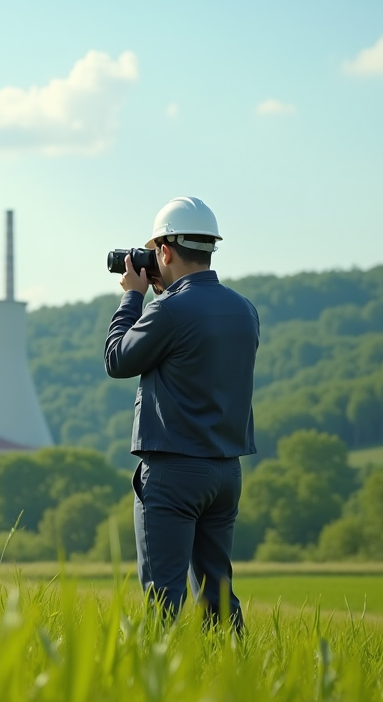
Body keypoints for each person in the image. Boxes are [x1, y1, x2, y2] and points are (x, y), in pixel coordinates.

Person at [103, 197, 259, 629]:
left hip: (173, 472)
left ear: (164, 252)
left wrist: (133, 298)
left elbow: (117, 359)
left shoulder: (167, 310)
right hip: (225, 471)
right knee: (218, 595)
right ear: (210, 248)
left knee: (162, 600)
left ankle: (161, 689)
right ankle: (235, 681)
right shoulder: (245, 310)